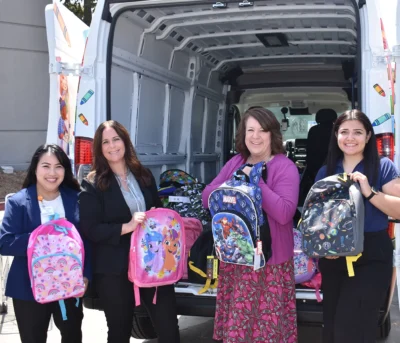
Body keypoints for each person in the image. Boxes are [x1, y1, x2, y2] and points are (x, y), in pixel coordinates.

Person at [202, 107, 299, 342]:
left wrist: (254, 183)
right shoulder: (236, 162)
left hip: (271, 263)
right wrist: (234, 184)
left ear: (272, 135)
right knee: (238, 329)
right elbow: (207, 197)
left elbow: (285, 213)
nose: (255, 136)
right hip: (236, 259)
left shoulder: (285, 167)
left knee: (268, 332)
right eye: (250, 130)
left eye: (262, 131)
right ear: (243, 134)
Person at [79, 120, 180, 343]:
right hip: (114, 268)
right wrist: (127, 227)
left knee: (169, 328)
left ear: (125, 142)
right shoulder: (92, 184)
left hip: (152, 263)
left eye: (116, 139)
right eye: (105, 142)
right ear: (99, 147)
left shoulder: (143, 174)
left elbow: (156, 208)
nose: (112, 146)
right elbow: (90, 229)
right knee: (119, 331)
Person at [315, 109, 400, 343]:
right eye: (344, 132)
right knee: (331, 328)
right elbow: (318, 217)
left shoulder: (382, 167)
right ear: (336, 135)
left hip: (372, 255)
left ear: (368, 136)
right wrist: (324, 248)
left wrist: (369, 192)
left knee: (352, 329)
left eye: (357, 132)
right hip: (333, 257)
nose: (350, 138)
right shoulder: (326, 171)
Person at [0, 144, 91, 343]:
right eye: (46, 166)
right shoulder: (18, 201)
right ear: (35, 168)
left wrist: (86, 275)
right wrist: (43, 238)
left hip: (69, 285)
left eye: (58, 166)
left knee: (73, 336)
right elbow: (5, 242)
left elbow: (87, 242)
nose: (52, 172)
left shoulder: (76, 199)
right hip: (27, 288)